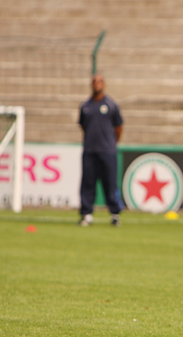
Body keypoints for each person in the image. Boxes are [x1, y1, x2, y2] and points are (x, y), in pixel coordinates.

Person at [78, 74, 123, 227]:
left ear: (104, 84)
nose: (97, 84)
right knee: (88, 183)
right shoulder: (85, 106)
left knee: (110, 183)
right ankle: (87, 214)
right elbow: (83, 125)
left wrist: (111, 143)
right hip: (90, 151)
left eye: (100, 81)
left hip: (107, 151)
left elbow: (119, 126)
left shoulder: (111, 105)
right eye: (95, 81)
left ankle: (115, 214)